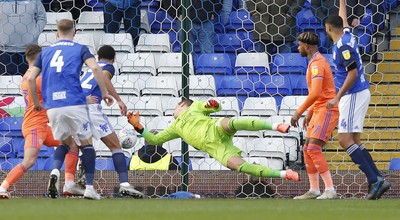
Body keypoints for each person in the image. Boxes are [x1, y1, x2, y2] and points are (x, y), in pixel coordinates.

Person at [28, 19, 113, 200]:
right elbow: (96, 68)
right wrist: (104, 92)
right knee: (86, 144)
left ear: (56, 34)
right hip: (75, 103)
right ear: (74, 32)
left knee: (65, 144)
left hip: (53, 107)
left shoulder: (45, 53)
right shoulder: (80, 48)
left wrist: (36, 102)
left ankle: (55, 172)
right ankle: (89, 188)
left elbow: (30, 79)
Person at [127, 99, 300, 181]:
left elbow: (213, 106)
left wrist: (213, 105)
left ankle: (275, 125)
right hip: (215, 147)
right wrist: (138, 126)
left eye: (175, 107)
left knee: (230, 123)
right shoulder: (175, 127)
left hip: (214, 128)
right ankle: (284, 174)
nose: (174, 110)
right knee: (237, 165)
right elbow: (155, 140)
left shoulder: (194, 107)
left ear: (182, 105)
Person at [325, 0, 390, 200]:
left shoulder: (343, 46)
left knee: (344, 140)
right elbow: (343, 19)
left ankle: (375, 179)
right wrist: (342, 2)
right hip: (358, 93)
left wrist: (337, 97)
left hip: (353, 93)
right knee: (355, 141)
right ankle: (377, 181)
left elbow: (352, 73)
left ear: (328, 28)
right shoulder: (347, 35)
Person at [62, 45, 144, 198]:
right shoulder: (108, 67)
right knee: (114, 145)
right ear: (113, 59)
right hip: (91, 108)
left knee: (85, 147)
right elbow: (105, 78)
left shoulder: (88, 69)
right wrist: (118, 100)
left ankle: (85, 186)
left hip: (76, 107)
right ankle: (124, 184)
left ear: (98, 57)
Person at [0, 45, 60, 199]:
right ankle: (2, 188)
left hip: (41, 126)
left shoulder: (27, 76)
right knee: (29, 161)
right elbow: (54, 98)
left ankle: (70, 181)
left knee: (71, 143)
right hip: (35, 127)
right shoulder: (38, 79)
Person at [290, 32, 338, 200]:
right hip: (319, 110)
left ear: (307, 46)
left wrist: (298, 112)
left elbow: (317, 92)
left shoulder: (318, 64)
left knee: (313, 148)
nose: (298, 48)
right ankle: (314, 189)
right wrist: (310, 112)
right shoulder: (314, 63)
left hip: (327, 110)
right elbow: (318, 92)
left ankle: (330, 189)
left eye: (299, 45)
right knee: (306, 149)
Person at [0, 0, 46, 75]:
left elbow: (42, 18)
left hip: (29, 51)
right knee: (8, 84)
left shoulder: (35, 1)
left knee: (29, 83)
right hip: (4, 51)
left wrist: (33, 34)